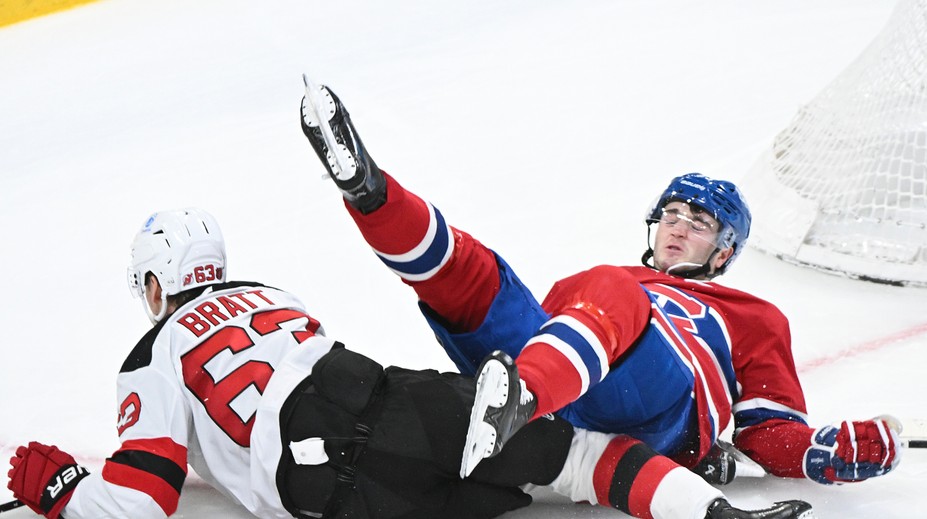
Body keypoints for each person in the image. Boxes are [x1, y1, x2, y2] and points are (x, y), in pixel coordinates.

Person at [298, 80, 901, 504]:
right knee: (481, 276)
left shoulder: (752, 315)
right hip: (565, 377)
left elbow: (767, 435)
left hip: (661, 412)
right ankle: (373, 195)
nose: (679, 226)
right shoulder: (598, 289)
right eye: (672, 214)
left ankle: (522, 399)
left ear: (723, 252)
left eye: (700, 223)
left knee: (608, 291)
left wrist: (827, 449)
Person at [5, 207, 811, 519]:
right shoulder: (274, 297)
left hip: (333, 481)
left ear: (154, 286)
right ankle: (719, 516)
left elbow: (143, 497)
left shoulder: (153, 348)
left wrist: (63, 489)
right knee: (582, 457)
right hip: (398, 396)